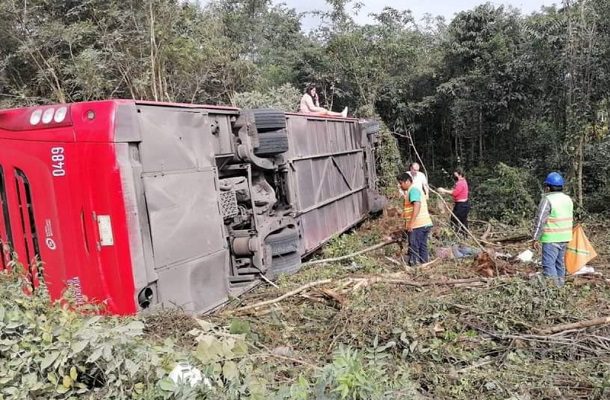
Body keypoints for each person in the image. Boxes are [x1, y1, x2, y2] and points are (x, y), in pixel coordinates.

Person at [532, 172, 573, 286]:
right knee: (559, 264)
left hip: (551, 238)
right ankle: (561, 287)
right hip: (565, 237)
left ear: (548, 187)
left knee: (549, 265)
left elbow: (540, 220)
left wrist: (535, 238)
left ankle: (554, 290)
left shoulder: (548, 200)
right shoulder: (568, 199)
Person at [397, 173, 433, 266]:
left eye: (401, 183)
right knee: (422, 246)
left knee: (414, 246)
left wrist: (411, 224)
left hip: (418, 224)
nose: (400, 185)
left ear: (407, 181)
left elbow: (417, 205)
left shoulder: (413, 190)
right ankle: (424, 265)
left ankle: (415, 266)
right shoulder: (414, 190)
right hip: (424, 223)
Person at [438, 168, 469, 235]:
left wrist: (444, 190)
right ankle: (464, 235)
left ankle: (458, 234)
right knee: (462, 220)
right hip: (462, 204)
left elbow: (454, 193)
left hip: (461, 205)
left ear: (460, 175)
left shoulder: (461, 183)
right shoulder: (462, 182)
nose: (455, 176)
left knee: (455, 220)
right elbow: (454, 191)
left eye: (456, 175)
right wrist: (446, 192)